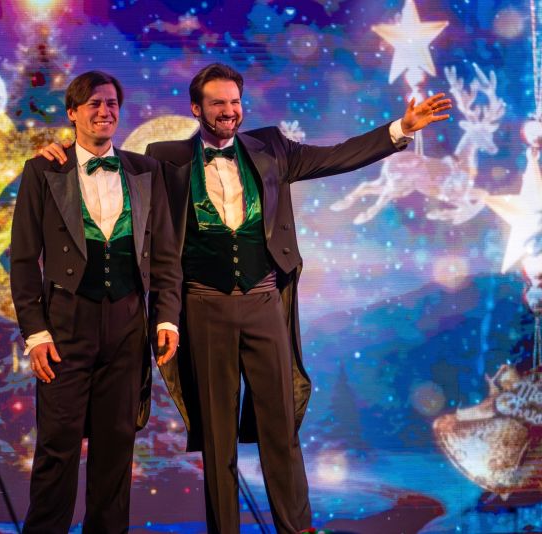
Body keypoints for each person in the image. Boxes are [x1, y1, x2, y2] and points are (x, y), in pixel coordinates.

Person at [39, 63, 451, 533]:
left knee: (281, 428)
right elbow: (107, 172)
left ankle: (296, 529)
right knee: (218, 440)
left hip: (264, 303)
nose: (229, 111)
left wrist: (400, 129)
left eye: (235, 102)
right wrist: (61, 154)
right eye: (218, 103)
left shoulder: (272, 148)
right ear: (196, 109)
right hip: (203, 307)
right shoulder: (164, 159)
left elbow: (337, 156)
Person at [10, 70, 182, 533]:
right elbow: (23, 261)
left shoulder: (146, 171)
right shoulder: (43, 170)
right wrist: (35, 334)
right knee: (57, 448)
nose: (105, 112)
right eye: (93, 104)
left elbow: (166, 255)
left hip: (127, 325)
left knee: (116, 449)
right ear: (73, 113)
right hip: (65, 325)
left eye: (111, 104)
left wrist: (167, 318)